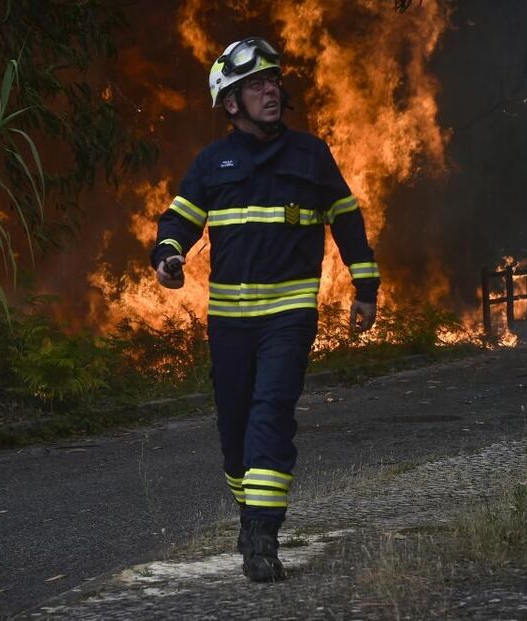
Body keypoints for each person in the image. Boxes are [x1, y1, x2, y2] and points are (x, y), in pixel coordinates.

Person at [150, 37, 379, 582]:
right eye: (256, 84)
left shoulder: (311, 155)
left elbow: (347, 220)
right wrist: (167, 255)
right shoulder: (212, 163)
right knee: (233, 433)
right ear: (231, 102)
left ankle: (261, 537)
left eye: (273, 80)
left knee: (270, 415)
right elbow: (179, 219)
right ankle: (249, 506)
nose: (271, 89)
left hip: (290, 315)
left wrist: (366, 287)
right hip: (229, 321)